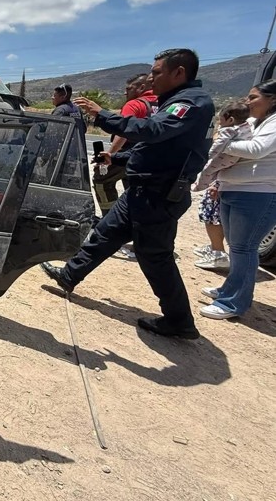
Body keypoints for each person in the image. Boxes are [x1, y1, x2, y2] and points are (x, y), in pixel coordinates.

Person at [41, 48, 214, 340]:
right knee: (106, 233)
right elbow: (156, 148)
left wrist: (102, 114)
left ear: (179, 72)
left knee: (155, 257)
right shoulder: (176, 101)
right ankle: (69, 275)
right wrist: (117, 159)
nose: (151, 79)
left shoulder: (192, 104)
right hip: (143, 190)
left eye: (157, 72)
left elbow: (153, 131)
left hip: (159, 196)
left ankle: (179, 321)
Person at [199, 80, 276, 320]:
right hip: (233, 189)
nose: (248, 101)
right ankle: (229, 290)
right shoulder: (253, 122)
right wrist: (218, 183)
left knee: (245, 248)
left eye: (254, 97)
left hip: (258, 193)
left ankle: (234, 303)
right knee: (237, 246)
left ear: (272, 99)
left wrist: (222, 144)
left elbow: (256, 150)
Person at [191, 101, 252, 270]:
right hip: (228, 175)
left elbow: (216, 148)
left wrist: (205, 153)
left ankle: (218, 253)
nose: (220, 123)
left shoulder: (228, 132)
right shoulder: (247, 129)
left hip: (222, 178)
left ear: (230, 119)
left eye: (221, 120)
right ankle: (214, 247)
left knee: (211, 214)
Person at [93, 73, 158, 216]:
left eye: (129, 89)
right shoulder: (163, 104)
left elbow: (122, 133)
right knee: (134, 187)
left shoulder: (134, 104)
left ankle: (110, 215)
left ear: (141, 87)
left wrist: (108, 157)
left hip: (127, 155)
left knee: (101, 178)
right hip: (150, 158)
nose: (125, 92)